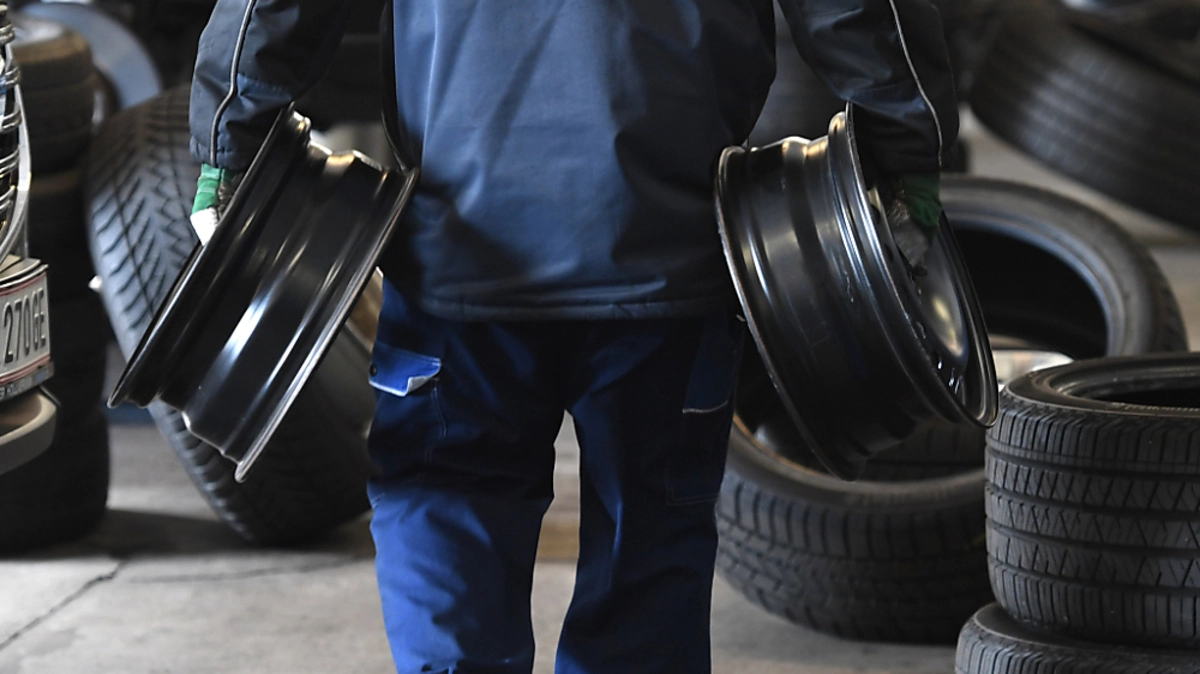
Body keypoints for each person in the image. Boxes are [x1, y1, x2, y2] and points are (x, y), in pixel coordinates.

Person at [188, 1, 956, 672]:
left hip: (464, 252)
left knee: (447, 505)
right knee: (648, 545)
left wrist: (231, 150)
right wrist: (903, 159)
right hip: (665, 254)